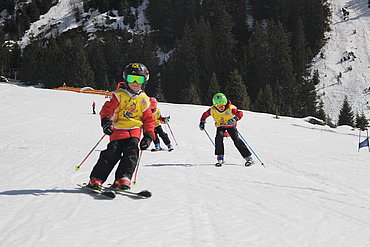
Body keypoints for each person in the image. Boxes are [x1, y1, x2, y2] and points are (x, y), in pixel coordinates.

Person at [87, 63, 155, 190]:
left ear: (144, 81)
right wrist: (106, 122)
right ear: (125, 79)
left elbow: (149, 119)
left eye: (139, 80)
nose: (135, 83)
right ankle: (96, 178)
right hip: (118, 130)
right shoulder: (119, 95)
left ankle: (123, 178)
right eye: (131, 79)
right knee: (111, 154)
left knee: (132, 154)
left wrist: (148, 136)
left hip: (134, 132)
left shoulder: (144, 99)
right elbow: (107, 109)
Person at [199, 93, 254, 166]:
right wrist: (202, 122)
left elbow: (240, 113)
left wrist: (235, 119)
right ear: (215, 105)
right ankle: (220, 157)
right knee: (219, 137)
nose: (221, 107)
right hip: (220, 126)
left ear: (225, 103)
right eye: (218, 106)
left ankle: (248, 158)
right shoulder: (213, 110)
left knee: (236, 139)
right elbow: (205, 114)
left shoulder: (230, 108)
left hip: (230, 126)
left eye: (223, 105)